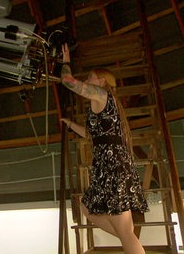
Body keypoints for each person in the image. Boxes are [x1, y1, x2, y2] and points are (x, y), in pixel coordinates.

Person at [59, 43, 149, 254]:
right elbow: (92, 136)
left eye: (90, 77)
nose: (88, 81)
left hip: (113, 167)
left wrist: (65, 63)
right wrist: (70, 124)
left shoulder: (101, 94)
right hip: (106, 165)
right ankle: (128, 237)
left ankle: (128, 238)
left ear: (101, 81)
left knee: (123, 229)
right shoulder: (104, 104)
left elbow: (68, 82)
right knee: (87, 208)